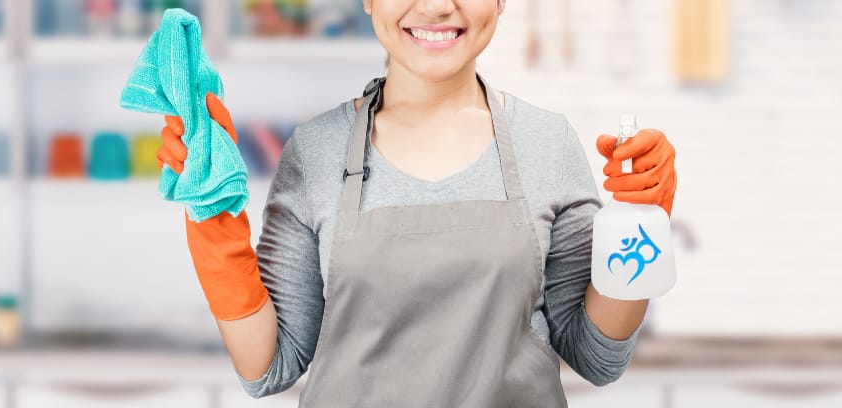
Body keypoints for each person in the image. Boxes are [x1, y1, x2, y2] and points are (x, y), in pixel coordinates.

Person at [156, 0, 677, 406]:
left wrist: (641, 231)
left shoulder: (548, 142)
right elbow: (269, 365)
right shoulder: (315, 152)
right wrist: (213, 222)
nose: (435, 7)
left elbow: (596, 356)